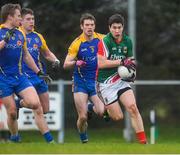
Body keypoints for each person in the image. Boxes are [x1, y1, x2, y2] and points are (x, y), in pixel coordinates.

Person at [0, 3, 52, 142]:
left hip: (20, 77)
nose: (20, 20)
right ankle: (15, 137)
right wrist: (5, 40)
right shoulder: (0, 31)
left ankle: (18, 104)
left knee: (35, 103)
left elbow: (26, 56)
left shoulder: (20, 33)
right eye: (18, 16)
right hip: (3, 79)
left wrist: (39, 72)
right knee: (11, 114)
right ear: (10, 17)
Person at [96, 14, 147, 144]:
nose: (117, 31)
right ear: (109, 28)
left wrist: (132, 71)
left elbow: (130, 60)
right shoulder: (104, 42)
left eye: (119, 27)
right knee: (118, 117)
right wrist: (122, 61)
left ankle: (143, 142)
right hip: (105, 83)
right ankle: (95, 107)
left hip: (121, 80)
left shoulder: (128, 41)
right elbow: (101, 64)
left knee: (133, 108)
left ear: (123, 27)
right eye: (114, 28)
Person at [14, 8, 60, 142]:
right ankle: (50, 141)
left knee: (46, 109)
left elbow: (46, 53)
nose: (31, 21)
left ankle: (19, 103)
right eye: (28, 19)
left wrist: (55, 60)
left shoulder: (38, 36)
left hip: (39, 76)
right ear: (20, 21)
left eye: (32, 19)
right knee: (38, 109)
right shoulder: (17, 35)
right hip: (24, 78)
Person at [63, 13, 104, 143]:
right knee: (83, 117)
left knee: (102, 111)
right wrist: (76, 62)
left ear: (94, 26)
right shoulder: (77, 43)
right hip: (80, 82)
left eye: (92, 25)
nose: (90, 27)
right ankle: (83, 138)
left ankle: (89, 107)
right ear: (82, 26)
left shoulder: (102, 39)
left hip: (96, 81)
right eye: (87, 25)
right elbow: (65, 64)